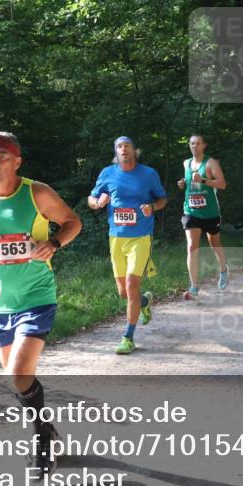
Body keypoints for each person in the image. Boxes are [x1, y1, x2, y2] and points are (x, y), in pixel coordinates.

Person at [0, 131, 82, 478]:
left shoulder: (36, 193)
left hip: (36, 297)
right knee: (16, 379)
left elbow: (73, 222)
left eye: (2, 157)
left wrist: (53, 243)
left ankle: (40, 443)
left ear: (17, 161)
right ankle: (47, 429)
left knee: (21, 373)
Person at [88, 136, 167, 355]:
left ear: (134, 150)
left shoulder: (148, 174)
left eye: (128, 145)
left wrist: (152, 206)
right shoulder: (107, 173)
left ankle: (128, 337)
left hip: (141, 237)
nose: (124, 149)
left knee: (132, 284)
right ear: (116, 151)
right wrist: (98, 203)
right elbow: (91, 200)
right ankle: (144, 301)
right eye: (120, 146)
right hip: (116, 237)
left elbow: (162, 199)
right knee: (124, 292)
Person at [176, 134, 229, 299]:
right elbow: (189, 182)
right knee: (192, 246)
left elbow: (222, 184)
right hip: (191, 211)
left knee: (214, 243)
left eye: (198, 143)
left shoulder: (211, 163)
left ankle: (223, 270)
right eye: (192, 143)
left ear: (203, 145)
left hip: (210, 212)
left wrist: (204, 180)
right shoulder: (186, 163)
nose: (194, 146)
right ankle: (193, 287)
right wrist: (182, 184)